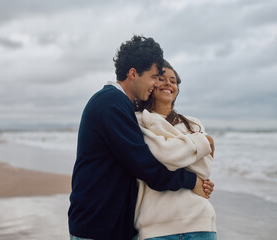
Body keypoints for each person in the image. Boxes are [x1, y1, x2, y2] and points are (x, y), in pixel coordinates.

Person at [68, 35, 214, 240]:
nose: (155, 84)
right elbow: (144, 165)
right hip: (97, 223)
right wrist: (191, 181)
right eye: (154, 77)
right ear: (133, 73)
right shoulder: (111, 103)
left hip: (109, 223)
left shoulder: (117, 103)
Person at [134, 60, 217, 240]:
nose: (168, 84)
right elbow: (162, 155)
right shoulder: (138, 120)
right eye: (161, 78)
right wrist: (201, 144)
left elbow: (204, 168)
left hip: (201, 221)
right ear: (151, 84)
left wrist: (173, 151)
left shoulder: (193, 124)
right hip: (155, 227)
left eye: (173, 80)